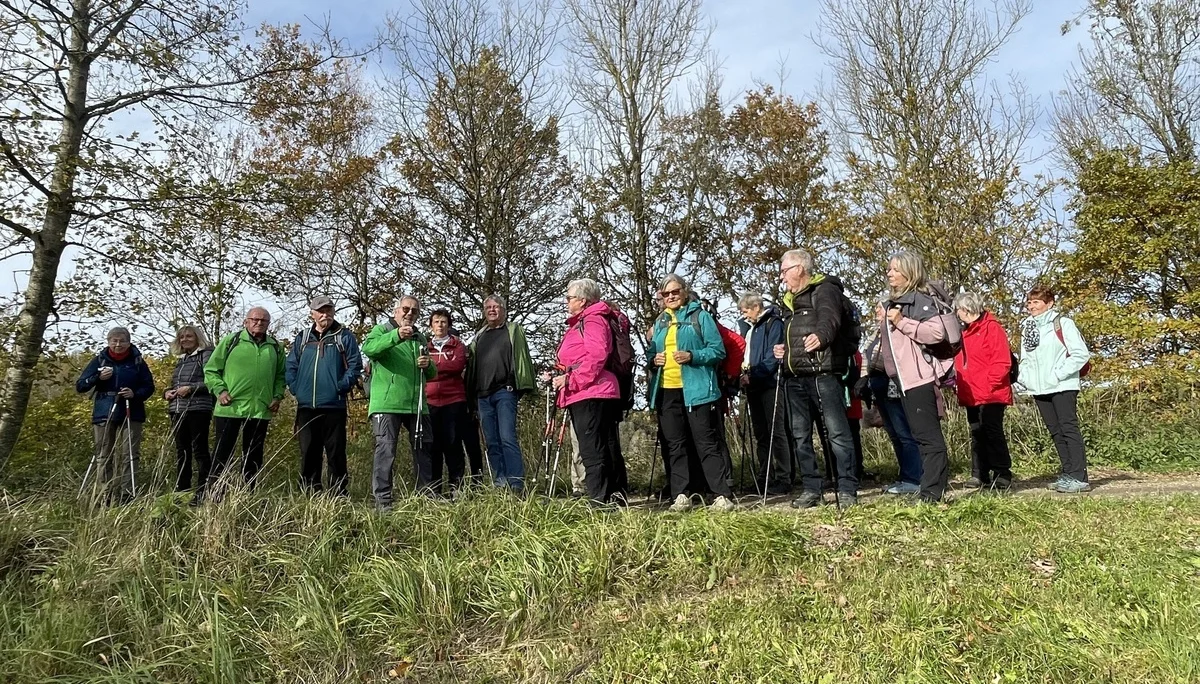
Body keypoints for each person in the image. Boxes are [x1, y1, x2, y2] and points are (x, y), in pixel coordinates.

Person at [773, 249, 860, 509]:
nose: (781, 276)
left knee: (837, 433)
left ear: (800, 268)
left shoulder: (825, 289)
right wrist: (783, 350)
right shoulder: (789, 301)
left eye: (784, 270)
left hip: (823, 373)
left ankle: (846, 488)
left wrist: (822, 336)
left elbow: (830, 319)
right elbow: (797, 335)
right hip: (794, 376)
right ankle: (812, 488)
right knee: (800, 435)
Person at [648, 274, 734, 512]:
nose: (671, 297)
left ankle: (720, 495)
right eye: (666, 294)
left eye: (675, 292)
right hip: (667, 390)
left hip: (697, 389)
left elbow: (718, 351)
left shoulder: (701, 316)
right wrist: (653, 360)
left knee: (706, 442)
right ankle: (681, 496)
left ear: (684, 292)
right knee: (675, 444)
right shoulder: (660, 322)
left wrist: (692, 356)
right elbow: (650, 355)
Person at [880, 250, 954, 503]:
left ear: (909, 272)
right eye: (889, 268)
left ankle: (933, 493)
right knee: (919, 437)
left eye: (895, 269)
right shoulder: (896, 302)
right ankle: (929, 489)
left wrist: (901, 322)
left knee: (929, 438)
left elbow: (935, 334)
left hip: (919, 378)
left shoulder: (919, 301)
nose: (889, 273)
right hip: (903, 380)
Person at [546, 278, 626, 505]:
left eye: (569, 297)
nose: (566, 301)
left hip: (591, 392)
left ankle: (599, 500)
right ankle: (615, 498)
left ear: (582, 300)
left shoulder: (592, 321)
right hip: (594, 391)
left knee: (592, 448)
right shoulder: (587, 320)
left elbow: (597, 355)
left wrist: (571, 379)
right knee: (606, 445)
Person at [202, 307, 286, 504]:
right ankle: (215, 497)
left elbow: (281, 375)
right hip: (229, 408)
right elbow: (211, 370)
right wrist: (220, 391)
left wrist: (278, 396)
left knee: (253, 457)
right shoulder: (232, 341)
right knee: (222, 454)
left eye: (264, 321)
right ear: (245, 321)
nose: (259, 323)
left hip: (260, 410)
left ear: (268, 324)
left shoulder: (275, 346)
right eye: (255, 320)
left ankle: (248, 496)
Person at [362, 296, 436, 508]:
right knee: (386, 451)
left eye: (414, 311)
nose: (409, 313)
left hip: (417, 405)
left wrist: (427, 364)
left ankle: (426, 497)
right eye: (405, 309)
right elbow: (369, 349)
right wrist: (396, 335)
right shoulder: (382, 330)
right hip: (387, 405)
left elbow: (431, 374)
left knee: (423, 451)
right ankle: (383, 501)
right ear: (396, 311)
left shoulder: (420, 338)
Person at [1018, 284, 1092, 493]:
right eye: (1029, 302)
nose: (1031, 306)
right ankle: (1068, 473)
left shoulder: (1063, 323)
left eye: (1036, 302)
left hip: (1063, 385)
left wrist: (1058, 374)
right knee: (1055, 431)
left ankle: (1080, 476)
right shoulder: (1027, 327)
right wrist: (1025, 378)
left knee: (1069, 428)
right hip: (1038, 387)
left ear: (1049, 303)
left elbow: (1080, 354)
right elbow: (1026, 358)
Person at [286, 296, 363, 496]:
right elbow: (290, 365)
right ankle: (310, 492)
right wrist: (296, 388)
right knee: (309, 451)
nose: (325, 314)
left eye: (328, 310)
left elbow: (355, 366)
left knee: (335, 452)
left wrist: (341, 386)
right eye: (321, 311)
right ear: (312, 313)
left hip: (334, 405)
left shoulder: (344, 336)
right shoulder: (302, 338)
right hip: (306, 406)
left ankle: (338, 494)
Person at [76, 327, 156, 504]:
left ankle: (128, 494)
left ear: (128, 342)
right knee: (104, 454)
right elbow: (81, 385)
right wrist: (97, 377)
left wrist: (135, 393)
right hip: (104, 411)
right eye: (114, 340)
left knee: (130, 454)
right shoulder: (99, 360)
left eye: (122, 341)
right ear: (108, 341)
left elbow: (149, 386)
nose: (118, 344)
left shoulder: (137, 361)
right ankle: (105, 494)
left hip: (131, 410)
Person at [467, 294, 536, 493]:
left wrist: (522, 385)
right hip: (482, 395)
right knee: (491, 441)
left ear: (503, 310)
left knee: (507, 437)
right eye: (488, 307)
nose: (492, 310)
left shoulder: (513, 331)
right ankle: (500, 483)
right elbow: (470, 364)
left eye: (496, 307)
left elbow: (522, 358)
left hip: (505, 392)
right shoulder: (479, 336)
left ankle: (515, 485)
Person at [857, 297, 923, 494]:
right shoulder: (877, 332)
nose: (877, 312)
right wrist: (864, 378)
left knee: (904, 432)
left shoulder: (895, 331)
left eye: (880, 308)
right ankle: (904, 476)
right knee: (894, 433)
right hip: (877, 383)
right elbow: (867, 356)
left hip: (892, 382)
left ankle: (914, 478)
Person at [953, 291, 1014, 491]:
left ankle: (1002, 473)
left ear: (965, 309)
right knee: (977, 433)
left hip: (991, 392)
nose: (956, 314)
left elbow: (1002, 361)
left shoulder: (991, 328)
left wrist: (989, 385)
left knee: (992, 432)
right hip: (971, 392)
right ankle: (979, 474)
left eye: (958, 310)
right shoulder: (963, 332)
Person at [737, 291, 791, 494]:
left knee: (776, 431)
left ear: (756, 307)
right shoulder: (749, 329)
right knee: (761, 433)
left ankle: (784, 477)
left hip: (770, 383)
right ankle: (765, 476)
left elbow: (772, 356)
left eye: (745, 311)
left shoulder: (773, 323)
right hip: (753, 384)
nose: (744, 316)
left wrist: (755, 374)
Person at [164, 325, 214, 493]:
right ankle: (182, 489)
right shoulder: (181, 360)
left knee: (200, 450)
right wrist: (167, 393)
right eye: (182, 337)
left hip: (198, 409)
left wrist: (191, 388)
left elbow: (212, 381)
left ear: (197, 337)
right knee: (181, 451)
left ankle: (204, 489)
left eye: (189, 336)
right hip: (178, 409)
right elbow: (175, 383)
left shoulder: (206, 355)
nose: (185, 340)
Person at [426, 308, 468, 493]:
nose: (440, 325)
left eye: (443, 322)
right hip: (430, 401)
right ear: (431, 325)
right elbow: (420, 369)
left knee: (453, 444)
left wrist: (432, 366)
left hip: (454, 400)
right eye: (436, 322)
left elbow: (457, 366)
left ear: (449, 325)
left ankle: (456, 488)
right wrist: (442, 366)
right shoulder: (425, 346)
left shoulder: (458, 345)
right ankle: (434, 490)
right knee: (433, 447)